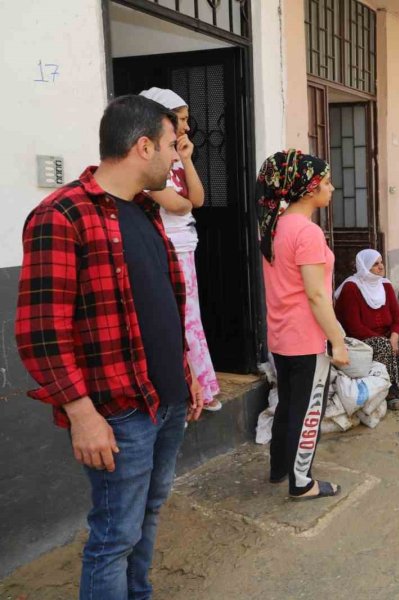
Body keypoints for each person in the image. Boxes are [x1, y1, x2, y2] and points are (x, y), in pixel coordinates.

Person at [15, 95, 204, 599]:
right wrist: (81, 413)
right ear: (143, 146)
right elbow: (41, 329)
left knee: (147, 517)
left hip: (164, 400)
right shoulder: (61, 215)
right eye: (169, 146)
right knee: (113, 536)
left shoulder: (145, 212)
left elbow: (163, 305)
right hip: (118, 412)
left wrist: (185, 373)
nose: (175, 157)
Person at [257, 149, 349, 499]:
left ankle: (279, 467)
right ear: (309, 188)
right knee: (309, 409)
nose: (332, 188)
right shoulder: (307, 233)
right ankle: (302, 481)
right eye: (326, 182)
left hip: (281, 335)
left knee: (288, 403)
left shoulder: (274, 226)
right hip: (307, 337)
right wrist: (337, 340)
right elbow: (316, 296)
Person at [139, 87, 222, 411]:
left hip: (185, 245)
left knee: (191, 319)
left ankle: (200, 387)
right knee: (178, 321)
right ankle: (187, 390)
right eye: (182, 120)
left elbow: (196, 200)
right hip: (166, 248)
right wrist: (184, 204)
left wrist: (186, 158)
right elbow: (176, 206)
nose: (187, 127)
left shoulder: (174, 161)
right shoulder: (149, 165)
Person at [335, 249, 399, 411]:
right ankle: (390, 395)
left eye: (381, 262)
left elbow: (397, 319)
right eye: (375, 264)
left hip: (386, 335)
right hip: (361, 338)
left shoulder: (385, 284)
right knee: (382, 346)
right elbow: (354, 327)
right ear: (365, 267)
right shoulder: (351, 287)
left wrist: (394, 336)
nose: (381, 267)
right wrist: (387, 341)